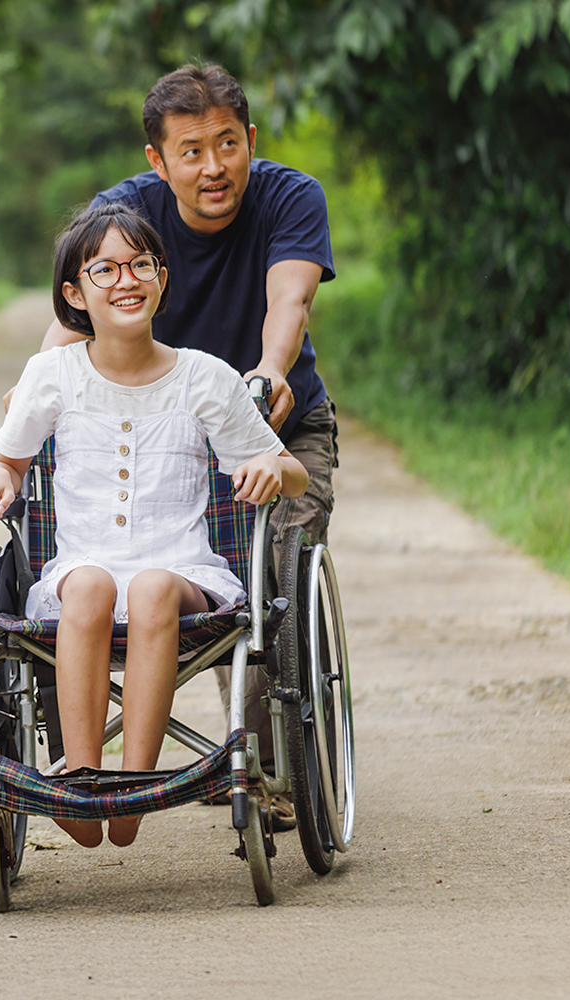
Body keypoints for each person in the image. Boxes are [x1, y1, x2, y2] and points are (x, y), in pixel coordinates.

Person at [25, 64, 338, 825]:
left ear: (250, 142)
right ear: (156, 162)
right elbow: (71, 330)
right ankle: (70, 747)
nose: (213, 167)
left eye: (228, 145)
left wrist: (266, 369)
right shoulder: (124, 220)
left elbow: (288, 296)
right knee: (69, 569)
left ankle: (265, 772)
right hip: (153, 428)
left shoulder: (288, 196)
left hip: (269, 431)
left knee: (274, 582)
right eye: (191, 151)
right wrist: (35, 391)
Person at [0, 203, 309, 849]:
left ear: (161, 278)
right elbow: (9, 465)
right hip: (78, 572)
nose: (127, 279)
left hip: (181, 571)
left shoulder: (204, 376)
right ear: (74, 292)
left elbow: (293, 474)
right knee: (90, 583)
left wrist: (267, 466)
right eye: (106, 268)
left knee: (149, 584)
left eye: (141, 264)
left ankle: (134, 790)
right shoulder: (51, 375)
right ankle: (82, 780)